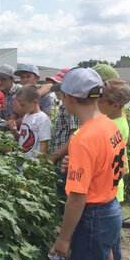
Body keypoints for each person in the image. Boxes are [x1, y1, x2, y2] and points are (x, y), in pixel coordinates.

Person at [49, 67, 126, 260]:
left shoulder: (82, 138)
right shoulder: (109, 125)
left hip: (93, 215)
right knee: (103, 256)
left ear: (70, 99)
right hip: (111, 208)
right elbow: (112, 166)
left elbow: (77, 198)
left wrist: (64, 238)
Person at [97, 79, 130, 260]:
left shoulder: (114, 126)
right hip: (113, 187)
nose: (97, 103)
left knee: (110, 239)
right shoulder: (117, 119)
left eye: (100, 100)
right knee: (111, 236)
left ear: (115, 105)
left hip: (110, 188)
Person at [49, 70, 79, 200]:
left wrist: (54, 156)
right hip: (61, 162)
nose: (57, 90)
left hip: (64, 163)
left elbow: (74, 137)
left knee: (63, 199)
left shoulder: (70, 109)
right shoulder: (63, 106)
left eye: (59, 86)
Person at [11, 84, 51, 159]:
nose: (21, 108)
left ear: (35, 102)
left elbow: (44, 146)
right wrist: (15, 131)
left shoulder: (42, 118)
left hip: (32, 164)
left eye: (23, 105)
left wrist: (38, 165)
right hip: (22, 161)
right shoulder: (26, 116)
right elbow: (22, 138)